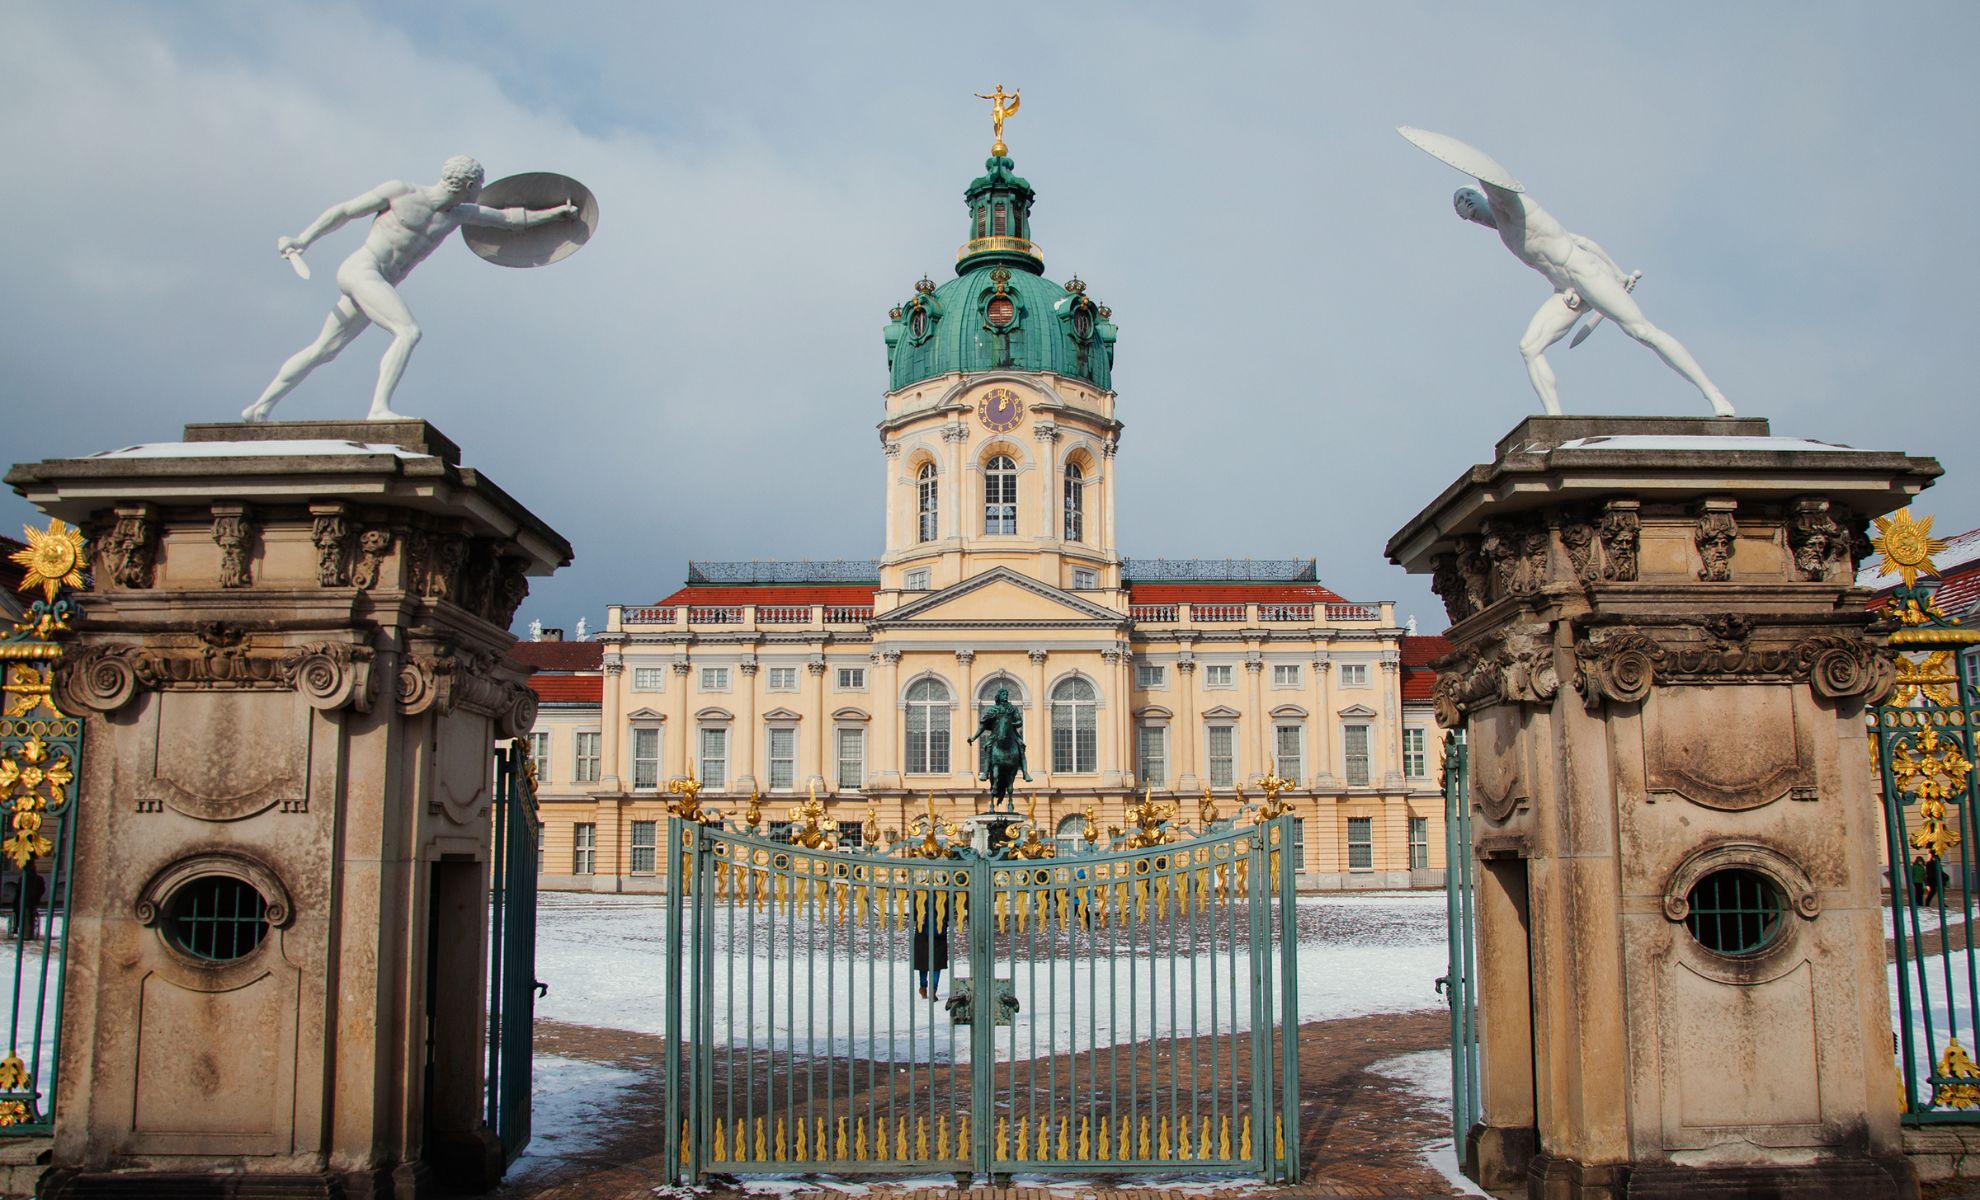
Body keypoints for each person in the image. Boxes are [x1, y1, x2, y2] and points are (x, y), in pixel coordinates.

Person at [245, 156, 578, 423]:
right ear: (465, 184)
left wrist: (557, 214)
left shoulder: (458, 214)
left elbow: (508, 219)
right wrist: (302, 240)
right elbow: (344, 212)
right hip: (362, 270)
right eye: (478, 183)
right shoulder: (401, 192)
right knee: (408, 332)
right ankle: (378, 409)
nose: (481, 189)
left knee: (324, 350)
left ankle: (259, 407)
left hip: (378, 281)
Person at [1451, 181, 1733, 419]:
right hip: (1565, 291)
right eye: (1459, 204)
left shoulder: (1513, 208)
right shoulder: (1505, 233)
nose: (1464, 203)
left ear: (1483, 195)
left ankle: (1712, 392)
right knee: (1529, 347)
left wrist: (1615, 272)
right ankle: (1555, 420)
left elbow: (1579, 242)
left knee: (1642, 331)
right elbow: (1579, 239)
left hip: (1585, 272)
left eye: (1467, 196)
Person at [912, 897, 949, 1001]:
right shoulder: (943, 895)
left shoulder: (920, 895)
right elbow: (948, 914)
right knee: (936, 964)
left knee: (923, 963)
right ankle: (933, 989)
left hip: (922, 932)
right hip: (939, 932)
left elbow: (915, 915)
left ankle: (923, 987)